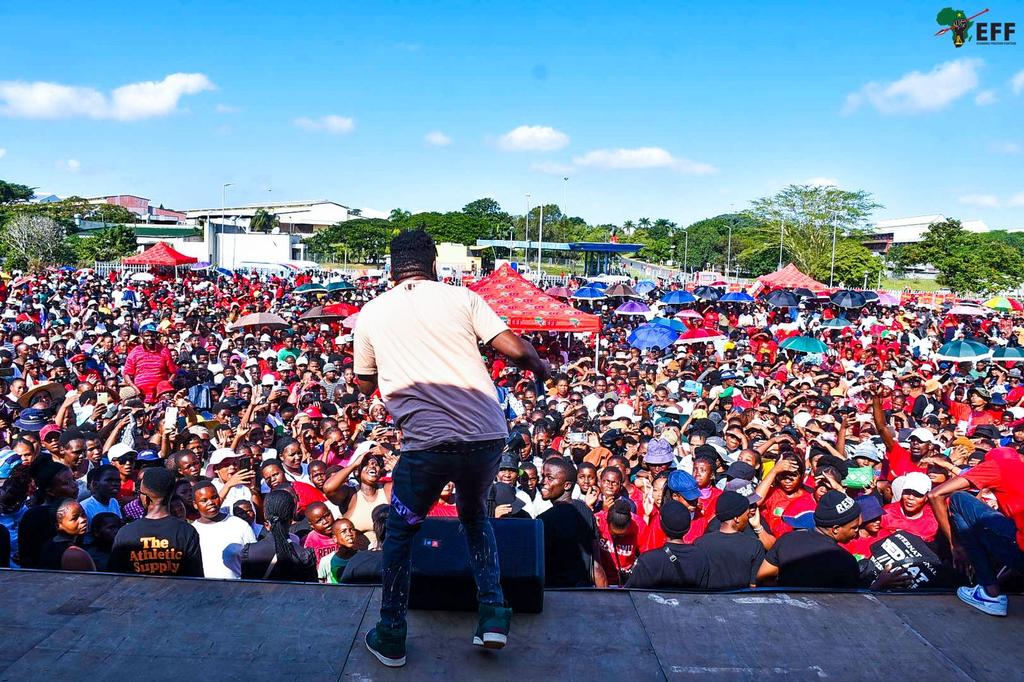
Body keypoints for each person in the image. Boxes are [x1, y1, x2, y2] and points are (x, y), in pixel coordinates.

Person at [354, 229, 548, 667]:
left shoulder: (371, 313)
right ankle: (493, 616)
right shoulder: (463, 299)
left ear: (391, 266)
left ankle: (391, 633)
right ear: (434, 264)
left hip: (426, 446)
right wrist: (541, 365)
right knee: (475, 516)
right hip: (485, 436)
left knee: (402, 531)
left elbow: (364, 380)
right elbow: (515, 349)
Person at [929, 446, 1024, 616]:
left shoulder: (998, 465)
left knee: (959, 499)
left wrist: (955, 544)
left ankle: (989, 593)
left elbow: (936, 495)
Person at [758, 491, 909, 590]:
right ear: (835, 528)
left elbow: (763, 578)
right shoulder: (844, 560)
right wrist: (879, 584)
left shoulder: (787, 540)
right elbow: (854, 604)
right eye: (854, 528)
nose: (856, 532)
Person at [107, 467, 204, 577]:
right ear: (171, 495)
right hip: (177, 593)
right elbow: (196, 579)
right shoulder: (186, 531)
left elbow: (114, 578)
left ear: (146, 497)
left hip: (134, 593)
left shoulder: (126, 533)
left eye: (140, 492)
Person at [537, 458, 604, 587]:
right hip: (583, 592)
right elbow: (596, 561)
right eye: (543, 477)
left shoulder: (545, 520)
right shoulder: (584, 509)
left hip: (557, 594)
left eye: (550, 478)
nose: (543, 482)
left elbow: (595, 560)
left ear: (567, 485)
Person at [625, 499, 710, 589]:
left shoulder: (649, 560)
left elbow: (630, 593)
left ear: (662, 525)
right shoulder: (701, 557)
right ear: (688, 527)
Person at [240, 488, 317, 582]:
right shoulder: (303, 555)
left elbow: (245, 588)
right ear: (292, 516)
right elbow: (312, 591)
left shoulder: (249, 552)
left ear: (265, 515)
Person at [695, 491, 766, 589]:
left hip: (708, 601)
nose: (748, 518)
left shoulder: (700, 543)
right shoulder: (755, 546)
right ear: (736, 518)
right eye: (747, 515)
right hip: (741, 602)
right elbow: (753, 586)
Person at [191, 480, 256, 579]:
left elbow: (254, 560)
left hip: (238, 589)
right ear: (195, 504)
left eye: (214, 497)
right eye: (204, 500)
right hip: (204, 590)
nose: (211, 503)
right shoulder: (192, 531)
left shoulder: (239, 525)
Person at [38, 498, 96, 571]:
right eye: (74, 518)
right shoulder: (74, 554)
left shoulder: (50, 543)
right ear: (58, 526)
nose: (83, 520)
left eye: (83, 514)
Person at [317, 518, 359, 584]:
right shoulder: (326, 561)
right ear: (335, 538)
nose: (349, 534)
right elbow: (321, 586)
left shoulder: (362, 558)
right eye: (343, 531)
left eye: (352, 529)